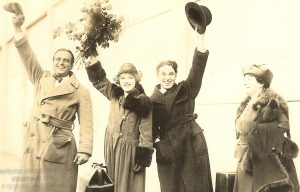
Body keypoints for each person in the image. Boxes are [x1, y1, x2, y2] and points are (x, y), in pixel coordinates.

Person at [10, 12, 93, 192]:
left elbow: (86, 123)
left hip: (60, 144)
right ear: (53, 61)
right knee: (29, 187)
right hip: (35, 139)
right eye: (58, 59)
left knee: (54, 187)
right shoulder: (41, 77)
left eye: (66, 61)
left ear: (71, 65)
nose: (61, 63)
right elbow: (27, 55)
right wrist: (17, 28)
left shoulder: (80, 90)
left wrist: (85, 150)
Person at [151, 31, 213, 192]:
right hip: (168, 150)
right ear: (157, 76)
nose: (167, 78)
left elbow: (197, 70)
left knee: (197, 187)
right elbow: (147, 129)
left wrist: (200, 39)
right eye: (163, 74)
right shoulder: (151, 100)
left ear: (176, 75)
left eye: (171, 74)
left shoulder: (186, 89)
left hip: (191, 143)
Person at [85, 55, 154, 192]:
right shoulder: (114, 93)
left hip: (130, 150)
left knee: (127, 186)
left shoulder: (143, 102)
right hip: (111, 145)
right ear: (118, 80)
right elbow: (100, 82)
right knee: (111, 183)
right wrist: (93, 62)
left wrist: (142, 158)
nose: (126, 81)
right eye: (123, 78)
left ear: (136, 79)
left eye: (130, 78)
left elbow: (146, 132)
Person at [233, 64, 299, 192]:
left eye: (249, 80)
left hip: (260, 161)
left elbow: (284, 125)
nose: (245, 82)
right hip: (243, 158)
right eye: (244, 79)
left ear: (261, 83)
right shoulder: (245, 104)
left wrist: (260, 132)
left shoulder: (271, 103)